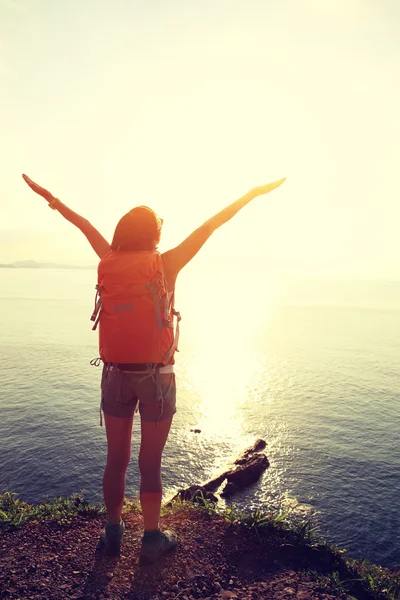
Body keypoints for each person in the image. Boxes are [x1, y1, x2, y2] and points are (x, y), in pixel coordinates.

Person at [22, 172, 286, 563]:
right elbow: (212, 224)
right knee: (150, 462)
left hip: (114, 373)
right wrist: (251, 193)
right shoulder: (166, 264)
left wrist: (51, 198)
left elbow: (81, 223)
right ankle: (151, 537)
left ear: (121, 234)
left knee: (116, 459)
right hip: (157, 376)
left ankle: (112, 533)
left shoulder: (107, 258)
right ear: (154, 236)